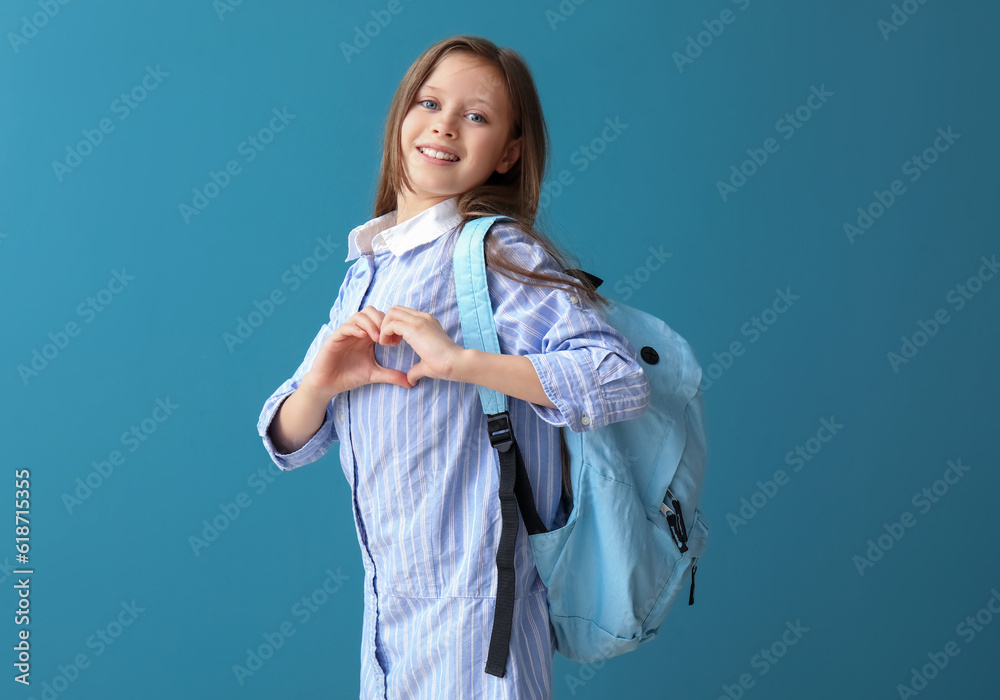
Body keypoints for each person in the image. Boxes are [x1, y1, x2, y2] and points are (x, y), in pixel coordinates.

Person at [256, 34, 650, 699]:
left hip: (479, 633)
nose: (444, 123)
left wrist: (464, 361)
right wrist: (320, 383)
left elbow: (617, 377)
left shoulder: (494, 252)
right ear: (402, 116)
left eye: (478, 115)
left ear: (509, 153)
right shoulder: (369, 266)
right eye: (430, 102)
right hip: (388, 634)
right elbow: (288, 439)